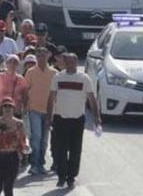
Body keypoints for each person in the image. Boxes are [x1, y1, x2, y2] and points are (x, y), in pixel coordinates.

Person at [46, 53, 101, 188]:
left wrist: (96, 116)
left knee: (75, 150)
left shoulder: (84, 78)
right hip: (60, 119)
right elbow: (51, 97)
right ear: (64, 63)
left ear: (76, 63)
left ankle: (71, 177)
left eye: (73, 62)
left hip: (77, 119)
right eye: (68, 62)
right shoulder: (58, 77)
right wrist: (49, 116)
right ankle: (61, 176)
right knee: (61, 149)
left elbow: (91, 98)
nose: (71, 64)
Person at [0, 96, 29, 196]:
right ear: (2, 108)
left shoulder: (19, 124)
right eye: (5, 106)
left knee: (8, 188)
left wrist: (26, 145)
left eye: (10, 106)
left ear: (13, 109)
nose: (7, 109)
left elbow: (24, 138)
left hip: (12, 158)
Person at [24, 46, 55, 175]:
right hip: (34, 109)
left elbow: (56, 94)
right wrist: (25, 107)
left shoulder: (54, 73)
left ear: (48, 56)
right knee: (36, 137)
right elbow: (26, 91)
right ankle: (34, 164)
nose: (41, 58)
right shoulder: (30, 72)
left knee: (44, 140)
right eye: (38, 56)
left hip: (48, 111)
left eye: (43, 55)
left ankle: (41, 163)